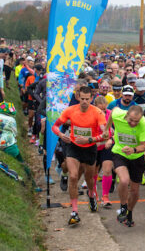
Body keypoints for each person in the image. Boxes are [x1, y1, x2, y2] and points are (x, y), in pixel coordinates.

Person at [51, 86, 108, 225]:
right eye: (82, 98)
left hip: (89, 149)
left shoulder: (97, 112)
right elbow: (55, 126)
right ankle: (74, 212)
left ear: (91, 98)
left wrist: (90, 139)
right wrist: (61, 135)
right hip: (73, 147)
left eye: (87, 99)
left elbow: (106, 134)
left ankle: (91, 195)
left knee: (89, 180)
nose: (84, 102)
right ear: (77, 97)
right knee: (73, 176)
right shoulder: (70, 110)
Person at [105, 105, 145, 227]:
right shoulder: (118, 115)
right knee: (124, 180)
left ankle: (129, 213)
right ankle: (123, 206)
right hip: (120, 153)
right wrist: (106, 129)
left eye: (137, 121)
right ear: (126, 116)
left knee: (135, 191)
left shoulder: (144, 124)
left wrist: (133, 150)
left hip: (136, 156)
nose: (133, 123)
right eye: (131, 120)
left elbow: (144, 146)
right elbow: (112, 111)